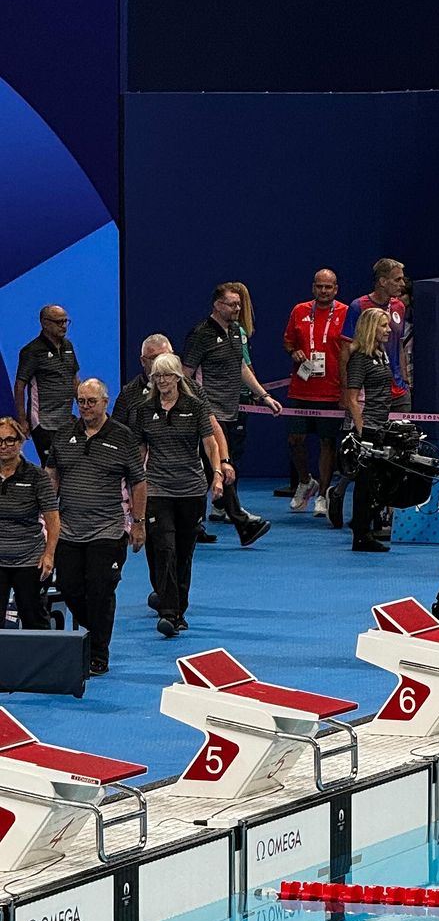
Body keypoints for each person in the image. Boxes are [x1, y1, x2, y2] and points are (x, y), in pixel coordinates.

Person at [48, 379, 146, 676]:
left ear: (105, 402)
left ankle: (98, 653)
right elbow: (52, 476)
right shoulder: (64, 434)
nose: (86, 407)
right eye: (81, 401)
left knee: (101, 590)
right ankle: (94, 632)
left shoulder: (123, 436)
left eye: (91, 401)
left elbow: (138, 482)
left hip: (108, 529)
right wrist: (47, 519)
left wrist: (138, 524)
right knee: (68, 588)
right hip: (69, 530)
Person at [182, 283, 282, 548]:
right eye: (232, 304)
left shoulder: (236, 332)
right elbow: (185, 374)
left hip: (230, 410)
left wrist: (264, 396)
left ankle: (192, 526)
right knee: (223, 466)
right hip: (208, 412)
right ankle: (242, 523)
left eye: (238, 304)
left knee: (208, 472)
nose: (237, 308)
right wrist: (194, 409)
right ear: (217, 305)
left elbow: (241, 367)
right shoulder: (200, 334)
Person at [136, 354, 222, 638]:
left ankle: (178, 610)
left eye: (167, 375)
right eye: (157, 376)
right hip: (158, 490)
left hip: (191, 490)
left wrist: (217, 474)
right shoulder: (144, 410)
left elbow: (210, 445)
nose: (162, 381)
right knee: (164, 549)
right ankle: (169, 613)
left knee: (184, 553)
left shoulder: (195, 407)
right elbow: (140, 451)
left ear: (178, 377)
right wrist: (135, 486)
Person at [283, 268, 347, 518]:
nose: (323, 291)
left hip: (331, 390)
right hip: (301, 387)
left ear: (336, 289)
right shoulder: (299, 310)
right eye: (319, 286)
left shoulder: (345, 312)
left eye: (328, 287)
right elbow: (288, 341)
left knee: (327, 443)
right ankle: (305, 481)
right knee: (295, 439)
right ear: (313, 288)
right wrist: (294, 352)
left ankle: (322, 495)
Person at [0, 419, 59, 631]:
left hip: (29, 560)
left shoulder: (37, 476)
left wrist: (49, 555)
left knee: (34, 619)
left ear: (20, 441)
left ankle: (42, 655)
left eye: (9, 440)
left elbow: (53, 520)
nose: (4, 446)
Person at [344, 307, 394, 553]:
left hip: (380, 425)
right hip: (366, 429)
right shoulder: (359, 359)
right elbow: (352, 399)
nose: (388, 330)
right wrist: (362, 432)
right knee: (365, 483)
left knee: (376, 481)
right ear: (371, 328)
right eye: (383, 326)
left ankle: (367, 527)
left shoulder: (381, 355)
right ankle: (361, 535)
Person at [339, 257, 412, 417]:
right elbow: (345, 352)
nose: (402, 284)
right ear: (383, 281)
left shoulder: (399, 306)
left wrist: (405, 381)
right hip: (370, 395)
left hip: (399, 394)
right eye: (397, 279)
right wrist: (346, 391)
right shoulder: (358, 307)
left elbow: (400, 346)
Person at [13, 307, 79, 462]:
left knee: (69, 465)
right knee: (50, 466)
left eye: (66, 321)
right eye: (59, 322)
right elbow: (19, 386)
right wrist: (22, 420)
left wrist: (84, 406)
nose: (64, 326)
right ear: (44, 323)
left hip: (67, 421)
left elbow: (75, 380)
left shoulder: (68, 346)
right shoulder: (31, 351)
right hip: (44, 421)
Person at [112, 333, 171, 429]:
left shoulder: (191, 388)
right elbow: (116, 431)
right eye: (154, 358)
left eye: (165, 357)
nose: (161, 362)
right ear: (143, 361)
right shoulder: (129, 393)